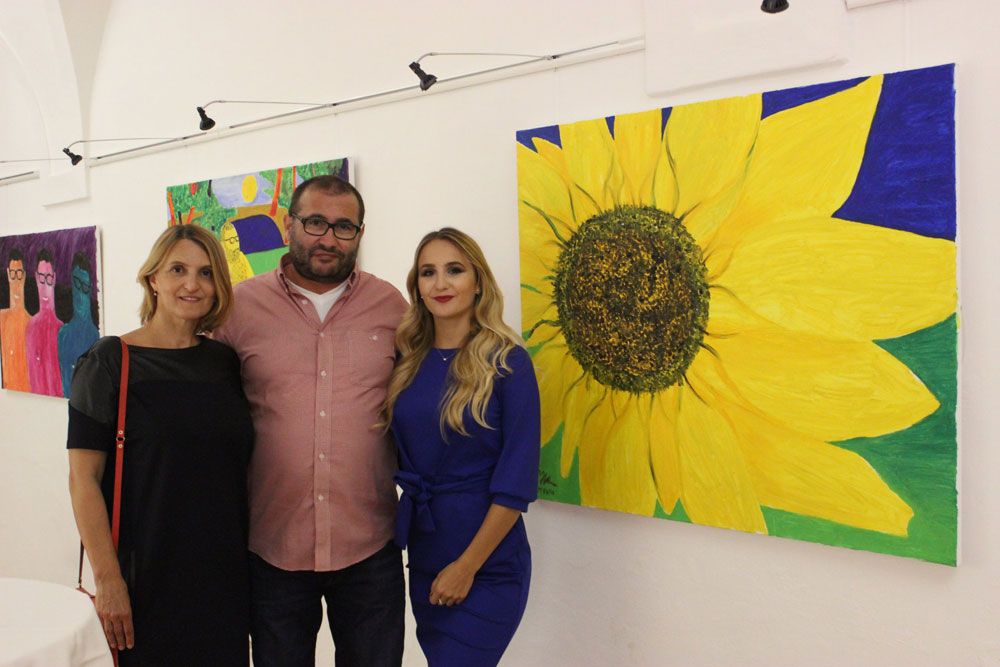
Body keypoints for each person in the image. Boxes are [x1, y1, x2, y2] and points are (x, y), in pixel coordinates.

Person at [213, 174, 407, 666]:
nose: (328, 239)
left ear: (360, 234)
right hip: (274, 548)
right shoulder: (238, 309)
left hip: (369, 548)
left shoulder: (392, 307)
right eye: (315, 222)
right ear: (288, 224)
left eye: (344, 227)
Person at [67, 225, 253, 666]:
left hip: (223, 577)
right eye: (177, 270)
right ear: (153, 279)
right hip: (145, 579)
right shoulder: (109, 361)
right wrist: (108, 580)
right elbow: (83, 480)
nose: (193, 284)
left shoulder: (225, 363)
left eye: (206, 273)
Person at [384, 228, 541, 666]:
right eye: (428, 272)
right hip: (426, 553)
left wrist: (467, 566)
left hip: (487, 564)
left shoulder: (508, 363)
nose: (441, 283)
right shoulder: (406, 362)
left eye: (454, 270)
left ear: (478, 282)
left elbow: (516, 484)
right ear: (417, 286)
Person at [58, 251, 100, 396]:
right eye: (77, 283)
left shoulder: (96, 336)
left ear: (90, 287)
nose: (81, 293)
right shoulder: (63, 334)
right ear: (71, 282)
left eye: (85, 286)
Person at [25, 248, 63, 396]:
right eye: (41, 278)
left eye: (48, 278)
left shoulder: (61, 330)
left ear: (54, 279)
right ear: (36, 278)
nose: (45, 285)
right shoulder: (31, 327)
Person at [1, 248, 30, 391]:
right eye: (13, 274)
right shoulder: (1, 318)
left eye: (19, 274)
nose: (16, 280)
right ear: (8, 275)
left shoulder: (30, 323)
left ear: (24, 276)